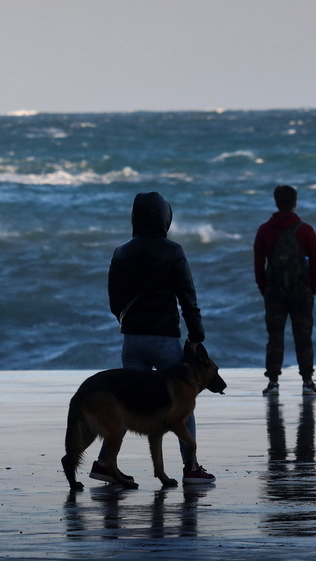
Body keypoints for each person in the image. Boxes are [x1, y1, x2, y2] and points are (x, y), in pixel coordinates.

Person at [91, 192, 216, 485]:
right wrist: (196, 335)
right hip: (164, 340)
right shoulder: (173, 251)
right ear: (164, 218)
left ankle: (104, 463)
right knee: (182, 403)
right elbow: (187, 297)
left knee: (127, 403)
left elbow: (114, 301)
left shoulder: (121, 252)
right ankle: (191, 467)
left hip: (132, 341)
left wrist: (129, 323)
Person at [254, 185, 316, 396]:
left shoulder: (265, 230)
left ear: (276, 202)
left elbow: (258, 265)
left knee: (275, 338)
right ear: (295, 203)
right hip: (301, 293)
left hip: (274, 293)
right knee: (304, 338)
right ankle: (307, 382)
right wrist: (312, 289)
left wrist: (265, 289)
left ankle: (273, 383)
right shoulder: (306, 230)